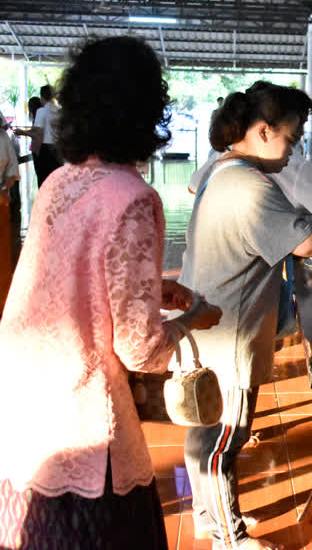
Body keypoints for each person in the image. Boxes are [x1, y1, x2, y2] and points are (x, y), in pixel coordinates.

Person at [0, 36, 222, 550]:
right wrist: (194, 320)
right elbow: (140, 349)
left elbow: (68, 279)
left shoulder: (60, 180)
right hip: (82, 409)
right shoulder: (133, 198)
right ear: (146, 111)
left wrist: (154, 289)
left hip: (24, 394)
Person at [178, 81, 312, 550]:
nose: (293, 152)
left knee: (207, 434)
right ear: (264, 130)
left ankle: (213, 519)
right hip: (224, 334)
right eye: (291, 138)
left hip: (209, 325)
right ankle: (229, 539)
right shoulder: (248, 185)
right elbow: (307, 242)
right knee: (223, 438)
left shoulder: (221, 171)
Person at [0, 111, 19, 311]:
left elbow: (12, 171)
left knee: (2, 256)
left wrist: (5, 189)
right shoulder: (3, 138)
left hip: (0, 200)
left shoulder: (3, 137)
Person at [28, 85, 63, 186]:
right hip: (58, 149)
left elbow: (39, 133)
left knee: (43, 180)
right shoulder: (60, 110)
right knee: (57, 179)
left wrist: (36, 152)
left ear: (42, 97)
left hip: (45, 149)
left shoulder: (41, 111)